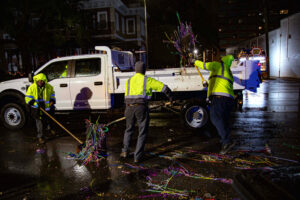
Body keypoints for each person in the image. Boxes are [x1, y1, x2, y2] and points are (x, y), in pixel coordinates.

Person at [120, 61, 173, 163]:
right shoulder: (146, 80)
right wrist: (171, 97)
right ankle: (137, 156)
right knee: (142, 131)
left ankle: (125, 152)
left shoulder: (129, 81)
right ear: (144, 70)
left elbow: (126, 95)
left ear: (135, 69)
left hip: (129, 108)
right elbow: (164, 87)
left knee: (128, 130)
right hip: (141, 107)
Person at [192, 55, 235, 154]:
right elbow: (220, 83)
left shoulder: (218, 65)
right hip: (227, 99)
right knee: (223, 120)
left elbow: (205, 65)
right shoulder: (227, 70)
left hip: (219, 98)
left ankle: (226, 142)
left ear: (222, 60)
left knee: (216, 118)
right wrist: (209, 85)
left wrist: (195, 61)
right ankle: (226, 141)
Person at [25, 73, 56, 144]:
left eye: (42, 81)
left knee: (46, 121)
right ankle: (40, 137)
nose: (41, 82)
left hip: (46, 107)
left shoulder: (49, 87)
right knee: (39, 122)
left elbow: (52, 95)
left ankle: (47, 132)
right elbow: (27, 98)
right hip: (36, 108)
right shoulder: (32, 87)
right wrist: (36, 104)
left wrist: (52, 101)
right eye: (39, 81)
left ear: (44, 81)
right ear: (36, 80)